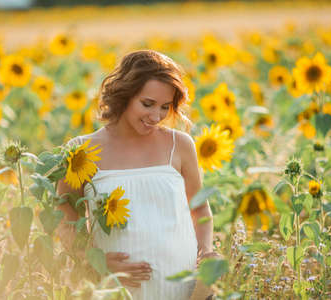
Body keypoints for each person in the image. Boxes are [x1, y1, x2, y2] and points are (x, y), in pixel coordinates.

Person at [56, 50, 215, 299]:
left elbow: (200, 209)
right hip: (115, 290)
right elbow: (63, 216)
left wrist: (206, 252)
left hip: (181, 290)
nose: (156, 116)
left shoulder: (180, 145)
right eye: (147, 104)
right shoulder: (81, 151)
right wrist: (93, 261)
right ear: (125, 95)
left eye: (165, 107)